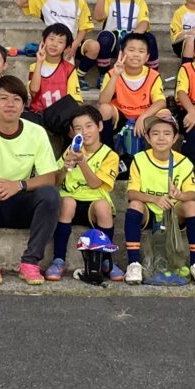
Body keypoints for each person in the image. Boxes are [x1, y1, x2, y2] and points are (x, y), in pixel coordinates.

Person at [0, 75, 62, 286]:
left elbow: (50, 177)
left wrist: (19, 185)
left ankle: (30, 262)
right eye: (4, 98)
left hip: (21, 202)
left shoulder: (36, 132)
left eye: (16, 99)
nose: (10, 104)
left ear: (23, 106)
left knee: (50, 194)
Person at [122, 112, 195, 286]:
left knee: (191, 206)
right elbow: (132, 193)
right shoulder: (139, 159)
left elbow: (191, 193)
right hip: (149, 210)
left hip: (172, 212)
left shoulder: (184, 162)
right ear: (147, 138)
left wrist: (180, 195)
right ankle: (133, 263)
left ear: (174, 138)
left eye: (167, 133)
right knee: (135, 204)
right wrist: (154, 198)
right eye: (155, 133)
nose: (161, 138)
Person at [50, 107, 119, 280]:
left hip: (93, 205)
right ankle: (58, 260)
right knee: (67, 202)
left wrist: (82, 162)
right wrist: (65, 167)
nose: (84, 132)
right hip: (71, 204)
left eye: (89, 126)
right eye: (78, 128)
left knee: (103, 207)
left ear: (100, 126)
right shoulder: (70, 150)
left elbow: (95, 184)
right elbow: (55, 181)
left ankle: (105, 259)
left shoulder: (110, 155)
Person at [96, 33, 168, 159]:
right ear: (122, 53)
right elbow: (103, 101)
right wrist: (116, 75)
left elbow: (161, 102)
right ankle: (108, 154)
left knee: (165, 114)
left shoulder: (153, 75)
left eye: (141, 51)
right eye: (131, 50)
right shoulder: (112, 73)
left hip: (144, 116)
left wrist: (144, 116)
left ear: (147, 57)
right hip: (122, 116)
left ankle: (160, 157)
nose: (136, 54)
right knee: (104, 109)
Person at [82, 0, 154, 69]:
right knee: (105, 37)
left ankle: (153, 72)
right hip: (112, 43)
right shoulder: (109, 0)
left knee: (150, 38)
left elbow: (144, 23)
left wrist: (132, 37)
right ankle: (104, 73)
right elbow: (98, 17)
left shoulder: (140, 3)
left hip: (132, 40)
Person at [26, 23, 86, 140]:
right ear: (43, 41)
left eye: (60, 42)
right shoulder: (35, 66)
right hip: (39, 114)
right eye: (51, 39)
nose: (54, 44)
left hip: (60, 117)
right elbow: (34, 90)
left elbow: (75, 100)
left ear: (67, 48)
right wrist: (39, 62)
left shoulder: (69, 69)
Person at [17, 0, 90, 56]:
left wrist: (74, 45)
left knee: (93, 47)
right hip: (52, 43)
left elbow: (84, 28)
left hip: (71, 43)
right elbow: (20, 3)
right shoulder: (45, 0)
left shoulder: (80, 3)